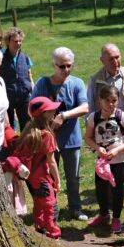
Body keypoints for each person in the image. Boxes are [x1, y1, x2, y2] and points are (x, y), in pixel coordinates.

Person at [32, 47, 89, 220]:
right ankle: (52, 209)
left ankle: (75, 208)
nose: (65, 70)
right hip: (49, 139)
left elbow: (85, 107)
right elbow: (33, 107)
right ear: (54, 65)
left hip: (71, 138)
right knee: (49, 175)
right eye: (61, 66)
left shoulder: (77, 83)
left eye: (68, 66)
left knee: (73, 177)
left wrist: (63, 116)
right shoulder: (43, 83)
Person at [87, 43, 124, 210]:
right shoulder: (96, 79)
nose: (115, 61)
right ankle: (112, 198)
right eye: (111, 58)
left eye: (117, 57)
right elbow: (91, 105)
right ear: (102, 60)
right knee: (110, 163)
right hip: (107, 130)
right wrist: (92, 126)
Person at [85, 85, 124, 233]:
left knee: (117, 189)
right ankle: (104, 215)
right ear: (100, 100)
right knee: (100, 189)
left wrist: (117, 150)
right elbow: (87, 137)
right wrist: (97, 148)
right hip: (102, 162)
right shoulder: (93, 117)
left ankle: (117, 218)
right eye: (107, 101)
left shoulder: (122, 117)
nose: (111, 104)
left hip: (119, 160)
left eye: (114, 100)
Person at [14, 96, 62, 239]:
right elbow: (51, 161)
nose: (54, 111)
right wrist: (58, 181)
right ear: (43, 114)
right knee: (49, 203)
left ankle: (39, 225)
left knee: (38, 201)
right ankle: (52, 230)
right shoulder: (46, 135)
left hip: (30, 176)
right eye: (50, 110)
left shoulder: (29, 130)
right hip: (41, 176)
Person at [0, 27, 33, 131]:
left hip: (24, 97)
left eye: (20, 41)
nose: (18, 43)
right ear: (8, 41)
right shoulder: (0, 56)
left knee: (27, 126)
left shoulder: (25, 57)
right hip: (7, 97)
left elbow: (29, 74)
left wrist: (33, 89)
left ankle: (26, 146)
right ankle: (12, 147)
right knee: (8, 128)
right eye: (15, 41)